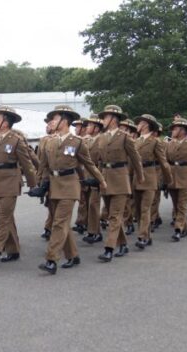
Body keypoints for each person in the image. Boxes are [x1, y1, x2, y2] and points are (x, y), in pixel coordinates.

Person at [34, 105, 106, 274]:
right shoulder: (50, 142)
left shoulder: (77, 142)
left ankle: (51, 259)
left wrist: (101, 180)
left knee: (58, 223)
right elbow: (43, 166)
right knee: (62, 223)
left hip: (69, 186)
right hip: (53, 185)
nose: (52, 121)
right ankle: (73, 255)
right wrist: (38, 184)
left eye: (55, 118)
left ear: (64, 121)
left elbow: (89, 164)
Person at [0, 106, 37, 266]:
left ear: (6, 122)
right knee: (5, 218)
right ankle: (13, 250)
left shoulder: (16, 140)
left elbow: (27, 165)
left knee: (3, 219)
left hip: (11, 182)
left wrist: (33, 186)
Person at [94, 105, 144, 261]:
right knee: (111, 215)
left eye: (105, 117)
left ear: (113, 119)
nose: (102, 120)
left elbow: (136, 159)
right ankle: (123, 244)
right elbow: (97, 160)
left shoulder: (124, 137)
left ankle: (109, 248)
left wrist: (140, 176)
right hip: (106, 178)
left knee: (116, 216)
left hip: (121, 179)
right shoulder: (101, 138)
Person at [133, 114, 172, 249]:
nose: (137, 125)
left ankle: (142, 236)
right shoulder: (136, 141)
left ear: (146, 125)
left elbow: (164, 163)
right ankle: (147, 236)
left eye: (140, 123)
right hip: (136, 179)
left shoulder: (156, 142)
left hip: (150, 178)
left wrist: (167, 181)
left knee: (145, 209)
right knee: (137, 211)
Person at [80, 115, 104, 244]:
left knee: (94, 205)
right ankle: (94, 230)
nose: (86, 127)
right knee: (89, 204)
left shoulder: (101, 140)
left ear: (96, 128)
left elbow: (102, 160)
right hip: (87, 175)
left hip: (96, 176)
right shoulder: (88, 140)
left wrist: (99, 178)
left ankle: (94, 232)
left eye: (89, 125)